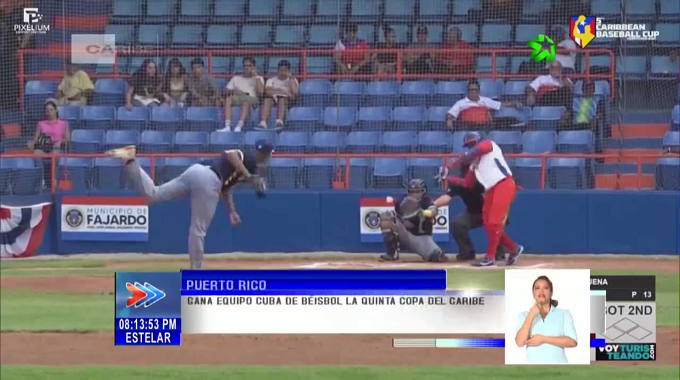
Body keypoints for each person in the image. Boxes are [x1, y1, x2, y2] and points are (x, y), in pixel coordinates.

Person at [105, 141, 271, 270]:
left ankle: (130, 160)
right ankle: (196, 274)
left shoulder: (247, 168)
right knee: (198, 230)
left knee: (153, 195)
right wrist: (249, 176)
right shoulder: (248, 158)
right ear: (265, 154)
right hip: (209, 179)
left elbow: (227, 190)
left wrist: (231, 211)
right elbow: (230, 154)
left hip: (196, 171)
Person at [444, 131, 523, 267]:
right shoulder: (474, 164)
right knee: (488, 224)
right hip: (490, 190)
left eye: (472, 144)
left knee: (494, 222)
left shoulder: (489, 145)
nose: (471, 147)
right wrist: (448, 178)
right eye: (468, 146)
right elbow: (467, 183)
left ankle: (490, 258)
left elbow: (478, 150)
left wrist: (452, 165)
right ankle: (514, 248)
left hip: (504, 184)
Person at [434, 163, 515, 262]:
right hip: (473, 212)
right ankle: (467, 252)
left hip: (492, 211)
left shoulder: (485, 179)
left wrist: (503, 214)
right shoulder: (459, 182)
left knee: (494, 226)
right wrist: (433, 205)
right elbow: (447, 197)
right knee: (457, 224)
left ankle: (499, 252)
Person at [379, 179, 448, 263]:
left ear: (423, 191)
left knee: (439, 257)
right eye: (412, 192)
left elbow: (434, 211)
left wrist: (422, 212)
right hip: (405, 235)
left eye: (418, 192)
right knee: (387, 218)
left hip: (422, 238)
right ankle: (392, 254)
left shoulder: (426, 201)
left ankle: (429, 252)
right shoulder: (402, 200)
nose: (415, 194)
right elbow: (398, 212)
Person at [515, 275, 578, 364]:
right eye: (537, 288)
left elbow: (572, 342)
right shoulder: (524, 315)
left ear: (551, 292)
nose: (541, 291)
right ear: (533, 293)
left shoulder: (564, 314)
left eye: (545, 288)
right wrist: (531, 314)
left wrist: (544, 339)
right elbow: (519, 342)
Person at [446, 80, 521, 129]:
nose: (473, 92)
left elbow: (499, 104)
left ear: (478, 91)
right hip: (467, 127)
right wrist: (449, 119)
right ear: (467, 91)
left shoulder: (485, 100)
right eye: (471, 90)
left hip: (484, 127)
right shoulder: (460, 103)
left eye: (475, 90)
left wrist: (513, 103)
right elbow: (450, 114)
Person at [219, 57, 264, 132]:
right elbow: (225, 91)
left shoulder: (259, 78)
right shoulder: (236, 78)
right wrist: (234, 90)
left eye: (249, 66)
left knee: (245, 102)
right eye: (245, 66)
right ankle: (227, 126)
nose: (246, 68)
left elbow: (261, 92)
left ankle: (239, 126)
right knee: (228, 99)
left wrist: (256, 76)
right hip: (237, 97)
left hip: (251, 98)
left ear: (253, 67)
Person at [259, 60, 299, 129]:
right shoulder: (271, 80)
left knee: (282, 99)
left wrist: (291, 78)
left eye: (284, 70)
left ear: (288, 71)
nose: (282, 73)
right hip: (273, 99)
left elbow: (295, 93)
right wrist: (284, 92)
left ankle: (279, 122)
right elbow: (268, 91)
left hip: (287, 101)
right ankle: (263, 123)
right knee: (267, 100)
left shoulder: (293, 80)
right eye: (280, 70)